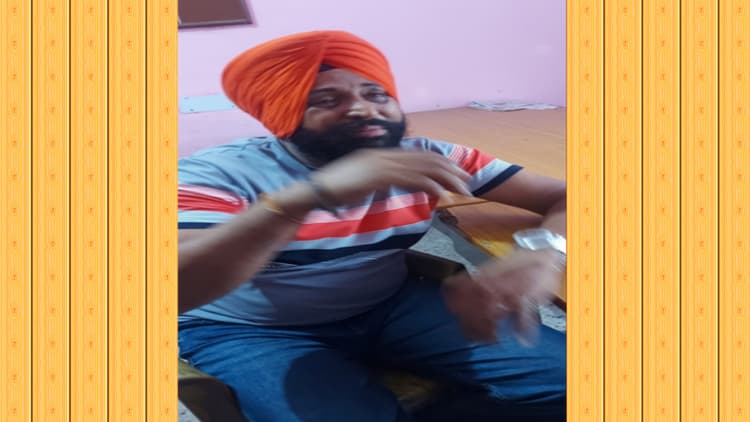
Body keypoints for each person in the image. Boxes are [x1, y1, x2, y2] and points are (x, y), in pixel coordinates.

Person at [178, 30, 566, 422]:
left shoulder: (427, 157)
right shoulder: (216, 174)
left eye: (376, 94)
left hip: (387, 304)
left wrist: (542, 252)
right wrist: (306, 198)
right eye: (327, 100)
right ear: (283, 114)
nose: (364, 109)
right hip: (247, 329)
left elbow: (567, 196)